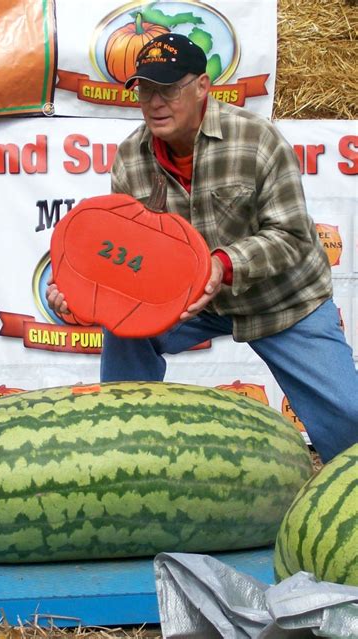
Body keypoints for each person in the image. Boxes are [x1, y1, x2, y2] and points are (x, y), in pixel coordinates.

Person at [47, 33, 357, 463]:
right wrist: (79, 292)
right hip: (190, 304)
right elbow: (125, 255)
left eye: (169, 88)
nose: (155, 102)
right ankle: (128, 450)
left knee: (349, 413)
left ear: (202, 86)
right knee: (125, 327)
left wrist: (222, 265)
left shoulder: (257, 139)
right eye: (146, 89)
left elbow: (292, 236)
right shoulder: (131, 159)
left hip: (283, 301)